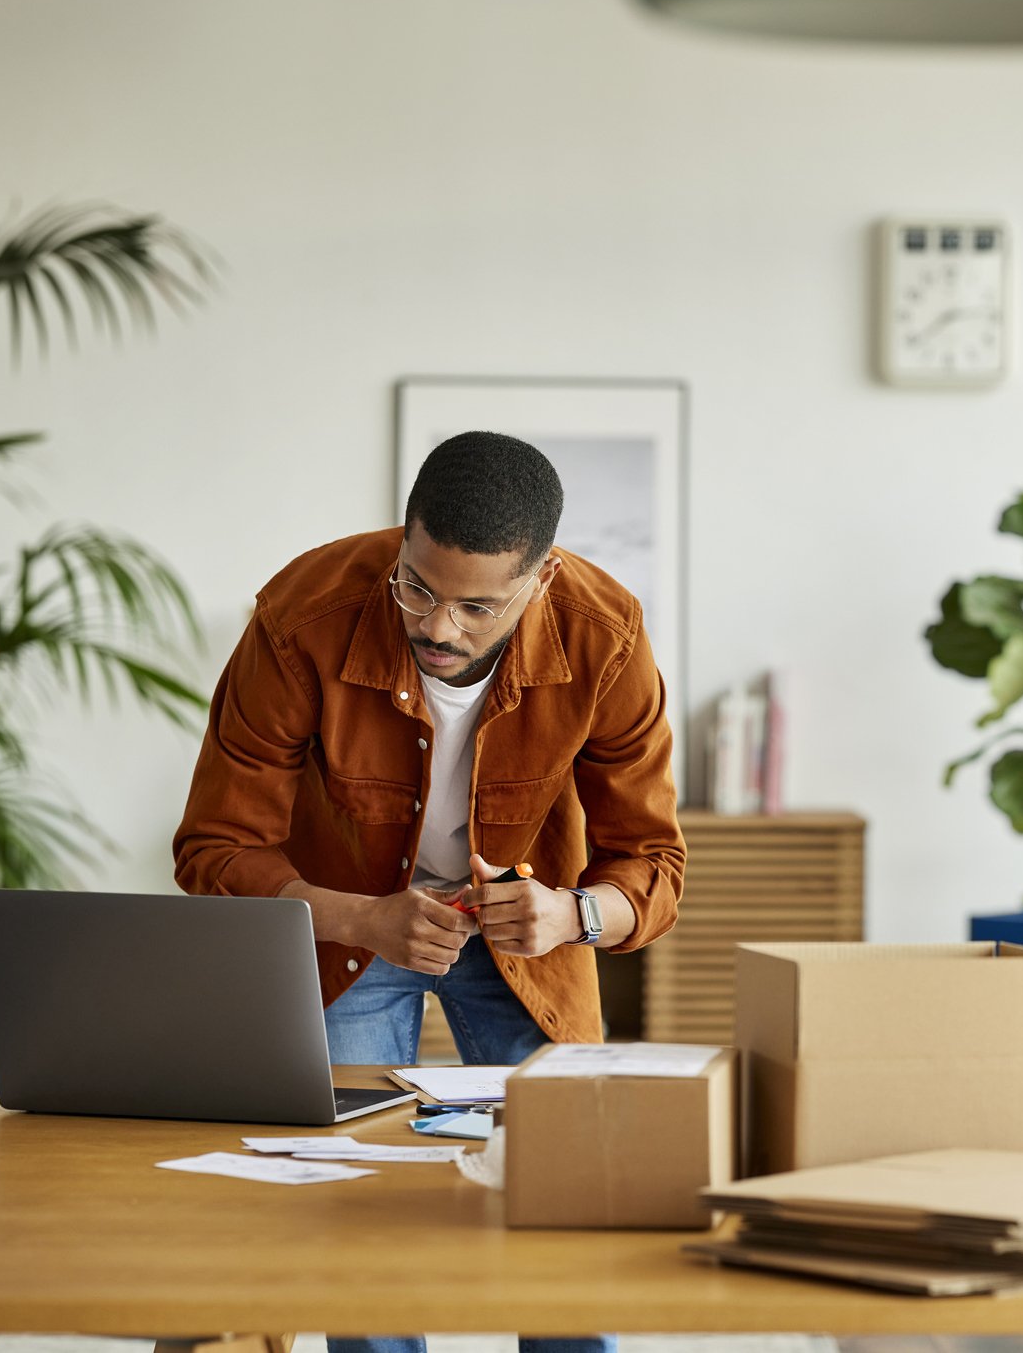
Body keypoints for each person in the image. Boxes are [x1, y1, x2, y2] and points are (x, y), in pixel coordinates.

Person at [175, 430, 683, 1353]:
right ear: (403, 540)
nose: (437, 626)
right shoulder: (303, 615)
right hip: (346, 937)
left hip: (530, 939)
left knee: (568, 1205)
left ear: (542, 578)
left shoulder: (605, 635)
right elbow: (213, 852)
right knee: (353, 1199)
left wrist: (571, 914)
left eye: (477, 607)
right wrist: (365, 915)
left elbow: (653, 865)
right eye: (417, 585)